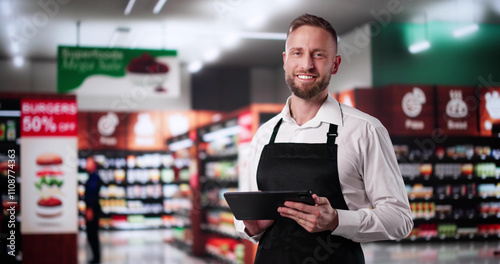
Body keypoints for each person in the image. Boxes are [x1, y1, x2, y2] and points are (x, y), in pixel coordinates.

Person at [234, 14, 413, 263]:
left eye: (319, 55)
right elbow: (246, 217)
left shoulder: (365, 130)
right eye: (297, 53)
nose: (307, 65)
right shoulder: (265, 134)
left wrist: (338, 220)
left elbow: (400, 219)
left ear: (335, 64)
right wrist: (251, 227)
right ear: (285, 60)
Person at [84, 156, 102, 264]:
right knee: (91, 234)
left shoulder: (94, 177)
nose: (86, 164)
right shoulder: (91, 176)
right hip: (91, 208)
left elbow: (93, 194)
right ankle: (96, 258)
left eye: (88, 162)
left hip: (93, 209)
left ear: (93, 165)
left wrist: (90, 208)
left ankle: (96, 258)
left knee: (92, 234)